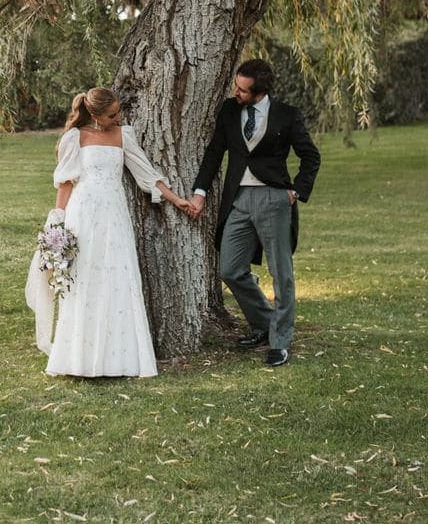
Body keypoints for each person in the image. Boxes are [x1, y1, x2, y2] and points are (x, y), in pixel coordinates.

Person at [43, 87, 190, 378]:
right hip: (83, 215)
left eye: (118, 111)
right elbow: (66, 183)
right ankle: (78, 360)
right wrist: (58, 221)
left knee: (117, 277)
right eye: (112, 114)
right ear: (96, 114)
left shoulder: (124, 135)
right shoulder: (76, 137)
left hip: (114, 216)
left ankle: (120, 359)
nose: (118, 116)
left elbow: (145, 173)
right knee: (85, 279)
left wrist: (175, 199)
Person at [188, 59, 320, 367]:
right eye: (236, 85)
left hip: (275, 199)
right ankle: (264, 323)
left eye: (242, 89)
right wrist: (200, 191)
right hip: (238, 198)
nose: (236, 92)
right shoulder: (230, 111)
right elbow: (214, 153)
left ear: (259, 91)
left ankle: (280, 341)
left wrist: (295, 192)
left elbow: (311, 156)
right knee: (230, 269)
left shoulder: (287, 116)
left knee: (281, 274)